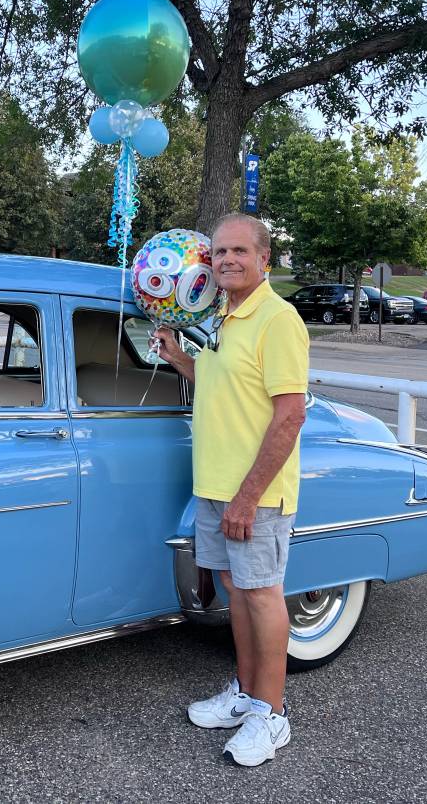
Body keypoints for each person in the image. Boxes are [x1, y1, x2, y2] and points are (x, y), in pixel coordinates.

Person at [155, 213, 309, 768]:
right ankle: (246, 695)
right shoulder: (223, 313)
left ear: (264, 258)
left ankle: (272, 716)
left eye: (239, 251)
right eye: (218, 252)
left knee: (262, 592)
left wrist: (248, 497)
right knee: (233, 587)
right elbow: (224, 384)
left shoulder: (277, 319)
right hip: (215, 483)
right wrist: (180, 361)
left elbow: (290, 416)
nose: (226, 260)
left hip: (255, 491)